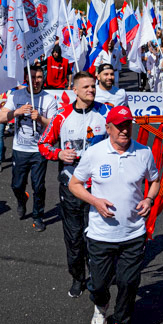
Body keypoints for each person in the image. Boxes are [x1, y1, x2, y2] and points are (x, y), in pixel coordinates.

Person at [69, 105, 160, 324]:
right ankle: (101, 306)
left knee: (128, 283)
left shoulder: (144, 152)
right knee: (99, 284)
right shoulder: (94, 153)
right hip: (100, 234)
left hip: (133, 233)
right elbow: (75, 184)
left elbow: (155, 180)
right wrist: (95, 201)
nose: (124, 129)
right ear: (108, 128)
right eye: (118, 125)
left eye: (127, 124)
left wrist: (149, 199)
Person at [38, 71, 110, 298]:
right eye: (86, 87)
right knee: (75, 238)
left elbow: (121, 138)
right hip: (72, 188)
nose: (91, 90)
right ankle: (78, 277)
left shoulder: (105, 112)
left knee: (100, 236)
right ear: (75, 90)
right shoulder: (61, 116)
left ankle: (101, 276)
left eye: (93, 86)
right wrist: (59, 153)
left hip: (100, 186)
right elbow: (43, 144)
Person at [0, 66, 59, 229]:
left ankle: (38, 216)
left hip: (39, 150)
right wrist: (17, 112)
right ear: (26, 78)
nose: (36, 80)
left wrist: (40, 118)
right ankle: (21, 199)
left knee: (38, 186)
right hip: (20, 150)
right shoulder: (16, 95)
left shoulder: (49, 99)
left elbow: (55, 125)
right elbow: (0, 117)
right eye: (32, 77)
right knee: (16, 185)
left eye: (39, 77)